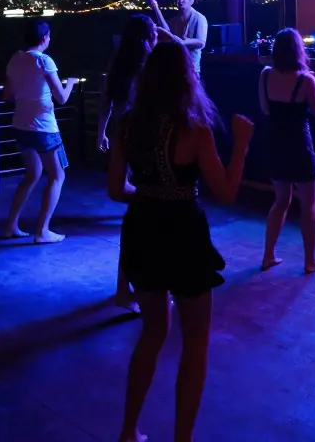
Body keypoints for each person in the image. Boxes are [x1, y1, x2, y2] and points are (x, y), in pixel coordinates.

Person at [107, 41, 254, 442]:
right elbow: (225, 191)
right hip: (184, 234)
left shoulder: (128, 124)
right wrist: (241, 145)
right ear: (186, 77)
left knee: (152, 332)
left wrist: (151, 194)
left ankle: (127, 429)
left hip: (142, 229)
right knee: (194, 343)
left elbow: (116, 191)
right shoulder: (193, 128)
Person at [96, 14, 158, 314]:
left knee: (137, 217)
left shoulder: (118, 67)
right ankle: (132, 289)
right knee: (143, 219)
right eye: (153, 36)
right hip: (144, 144)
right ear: (146, 39)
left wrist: (101, 134)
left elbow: (106, 104)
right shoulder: (147, 71)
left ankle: (128, 289)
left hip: (124, 142)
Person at [258, 28, 315, 274]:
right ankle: (310, 261)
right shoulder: (306, 80)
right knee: (309, 203)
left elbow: (266, 109)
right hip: (300, 145)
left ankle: (268, 255)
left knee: (280, 201)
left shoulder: (265, 75)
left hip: (276, 143)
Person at [3, 20, 75, 243]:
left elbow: (7, 95)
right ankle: (42, 231)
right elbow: (61, 98)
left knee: (32, 174)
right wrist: (71, 82)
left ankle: (11, 226)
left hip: (20, 124)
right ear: (44, 38)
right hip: (44, 127)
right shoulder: (44, 61)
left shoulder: (16, 58)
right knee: (57, 175)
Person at [149, 0, 208, 75]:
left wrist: (185, 42)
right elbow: (167, 31)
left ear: (191, 1)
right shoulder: (176, 19)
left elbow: (202, 42)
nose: (180, 1)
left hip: (191, 70)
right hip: (176, 68)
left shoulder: (199, 18)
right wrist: (155, 7)